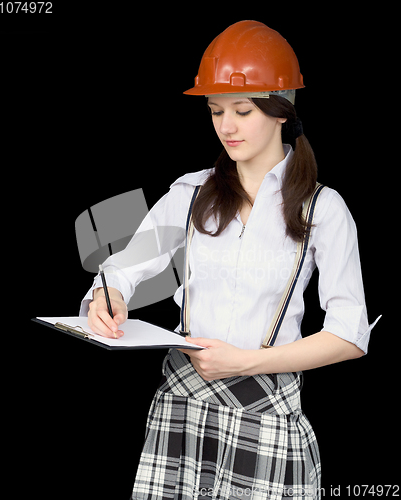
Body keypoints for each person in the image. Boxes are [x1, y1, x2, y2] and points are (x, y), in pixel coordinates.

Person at [80, 20, 379, 500]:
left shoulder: (324, 209)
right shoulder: (191, 192)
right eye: (215, 110)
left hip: (267, 415)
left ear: (282, 111)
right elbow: (124, 267)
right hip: (183, 405)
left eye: (243, 109)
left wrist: (247, 362)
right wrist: (108, 293)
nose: (226, 126)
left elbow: (349, 335)